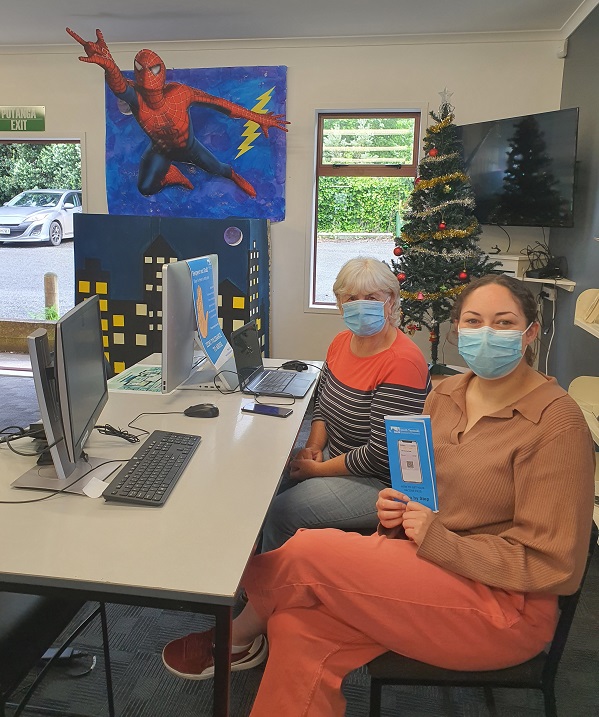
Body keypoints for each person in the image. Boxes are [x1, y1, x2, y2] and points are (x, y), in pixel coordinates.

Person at [162, 273, 595, 717]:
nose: (487, 334)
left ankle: (232, 623)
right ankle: (247, 628)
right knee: (295, 628)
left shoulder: (556, 425)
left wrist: (435, 537)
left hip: (502, 607)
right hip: (424, 565)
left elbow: (554, 568)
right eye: (473, 321)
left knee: (310, 547)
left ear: (530, 332)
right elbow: (422, 489)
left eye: (504, 323)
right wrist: (398, 505)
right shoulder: (445, 395)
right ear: (456, 330)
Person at [260, 256, 431, 551]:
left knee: (280, 512)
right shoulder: (341, 342)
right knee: (264, 487)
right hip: (336, 455)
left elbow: (381, 456)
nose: (361, 304)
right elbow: (322, 405)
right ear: (339, 303)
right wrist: (313, 448)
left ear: (391, 302)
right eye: (351, 298)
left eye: (372, 297)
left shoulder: (403, 362)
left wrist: (316, 470)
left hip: (380, 482)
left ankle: (268, 591)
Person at [66, 28, 288, 198]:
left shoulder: (180, 93)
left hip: (189, 146)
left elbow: (219, 103)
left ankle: (236, 176)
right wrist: (109, 66)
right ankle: (172, 175)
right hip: (161, 151)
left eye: (153, 70)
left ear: (162, 71)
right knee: (144, 188)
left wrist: (257, 118)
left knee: (219, 169)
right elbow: (119, 86)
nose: (147, 75)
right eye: (141, 70)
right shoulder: (136, 98)